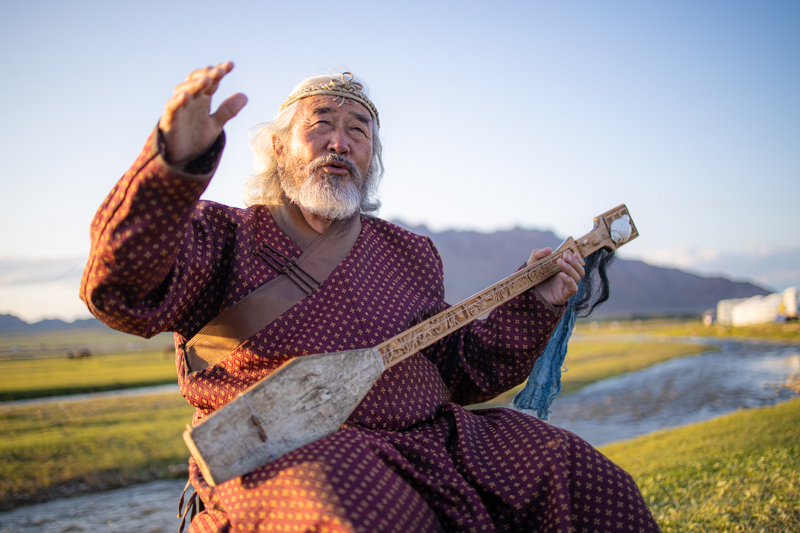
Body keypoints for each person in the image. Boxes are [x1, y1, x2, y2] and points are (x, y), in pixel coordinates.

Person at [81, 62, 660, 533]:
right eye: (322, 123)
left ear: (371, 156)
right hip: (294, 453)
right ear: (280, 149)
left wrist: (537, 301)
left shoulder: (411, 253)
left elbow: (462, 371)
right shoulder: (220, 235)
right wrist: (171, 167)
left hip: (434, 440)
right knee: (353, 508)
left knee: (576, 473)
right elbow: (118, 289)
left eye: (359, 129)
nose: (340, 141)